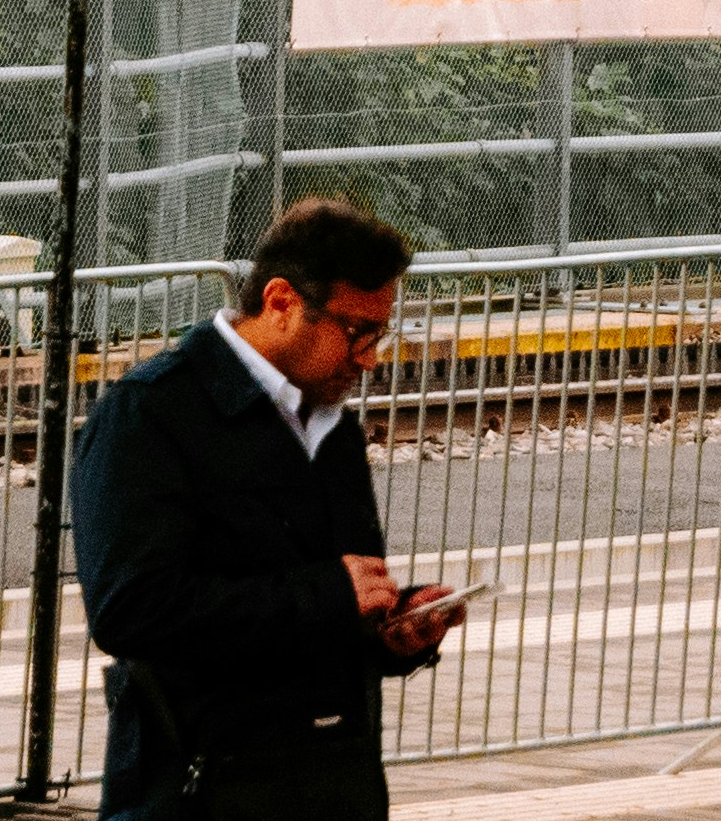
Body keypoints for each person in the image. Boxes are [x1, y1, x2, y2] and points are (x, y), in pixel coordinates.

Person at [67, 196, 462, 814]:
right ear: (281, 303)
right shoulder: (149, 414)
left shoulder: (332, 428)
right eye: (356, 332)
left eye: (379, 335)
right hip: (200, 787)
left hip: (333, 781)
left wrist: (393, 632)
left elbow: (333, 607)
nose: (367, 358)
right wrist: (330, 595)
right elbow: (129, 610)